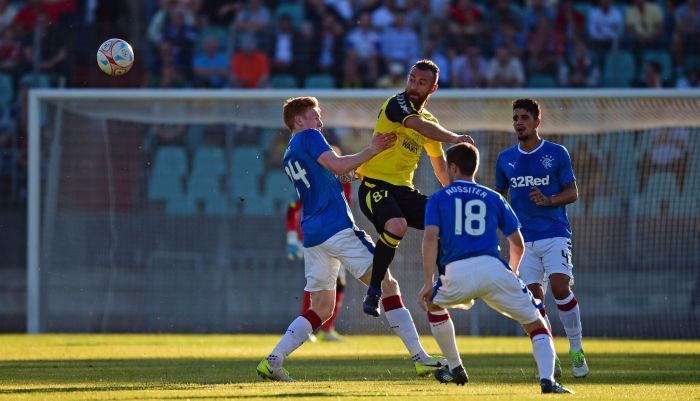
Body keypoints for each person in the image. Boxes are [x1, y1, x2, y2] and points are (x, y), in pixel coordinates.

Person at [257, 96, 447, 382]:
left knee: (321, 307)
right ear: (299, 120)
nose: (320, 122)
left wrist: (350, 174)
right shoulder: (310, 136)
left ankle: (273, 360)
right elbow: (335, 164)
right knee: (388, 284)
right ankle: (421, 359)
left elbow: (327, 177)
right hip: (336, 228)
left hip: (313, 235)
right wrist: (370, 150)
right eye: (315, 115)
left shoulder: (289, 152)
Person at [417, 143, 574, 394]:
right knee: (536, 323)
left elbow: (430, 238)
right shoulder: (493, 196)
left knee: (433, 305)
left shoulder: (438, 198)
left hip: (456, 271)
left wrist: (428, 281)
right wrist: (511, 273)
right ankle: (548, 381)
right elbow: (517, 243)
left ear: (453, 168)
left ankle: (456, 367)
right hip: (493, 268)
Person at [356, 59, 473, 318]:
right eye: (411, 79)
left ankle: (444, 286)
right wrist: (455, 138)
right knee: (397, 226)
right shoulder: (396, 104)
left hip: (402, 190)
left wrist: (455, 194)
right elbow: (418, 126)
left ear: (432, 89)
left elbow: (439, 165)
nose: (413, 86)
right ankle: (374, 290)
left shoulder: (431, 121)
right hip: (374, 185)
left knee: (445, 219)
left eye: (421, 83)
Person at [495, 98, 589, 379]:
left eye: (524, 117)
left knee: (560, 287)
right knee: (534, 299)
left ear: (537, 121)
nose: (519, 122)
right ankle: (550, 355)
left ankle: (576, 349)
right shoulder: (505, 158)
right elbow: (501, 198)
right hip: (523, 240)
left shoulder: (556, 153)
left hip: (554, 233)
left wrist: (548, 200)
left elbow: (572, 192)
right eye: (515, 118)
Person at [286, 145, 352, 342]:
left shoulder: (344, 181)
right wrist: (291, 238)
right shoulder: (311, 184)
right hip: (317, 236)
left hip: (339, 234)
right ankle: (306, 330)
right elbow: (292, 209)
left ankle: (326, 330)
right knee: (316, 284)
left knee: (338, 284)